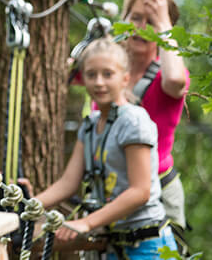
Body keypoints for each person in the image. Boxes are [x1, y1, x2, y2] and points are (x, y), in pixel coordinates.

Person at [27, 38, 177, 258]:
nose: (98, 82)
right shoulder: (89, 126)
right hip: (113, 245)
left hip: (148, 245)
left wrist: (86, 223)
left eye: (108, 74)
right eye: (91, 74)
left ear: (125, 78)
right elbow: (68, 183)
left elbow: (140, 191)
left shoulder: (133, 122)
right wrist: (28, 205)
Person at [121, 0, 189, 235]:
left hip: (157, 194)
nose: (141, 27)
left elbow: (175, 81)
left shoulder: (167, 74)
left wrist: (164, 24)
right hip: (113, 192)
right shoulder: (109, 75)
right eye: (135, 18)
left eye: (151, 21)